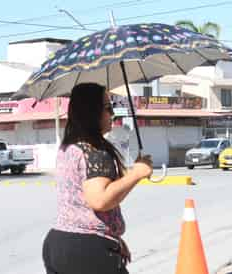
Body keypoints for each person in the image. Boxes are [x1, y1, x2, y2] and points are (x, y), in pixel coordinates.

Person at [42, 83, 153, 274]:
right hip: (86, 251)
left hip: (60, 244)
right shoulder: (94, 151)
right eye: (108, 108)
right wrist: (137, 173)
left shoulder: (69, 148)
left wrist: (113, 239)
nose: (113, 114)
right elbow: (99, 200)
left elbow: (83, 199)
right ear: (91, 111)